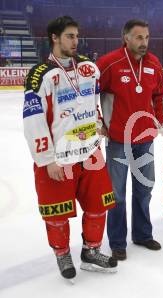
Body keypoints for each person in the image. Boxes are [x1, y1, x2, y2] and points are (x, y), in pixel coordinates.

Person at [23, 16, 117, 280]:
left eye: (77, 36)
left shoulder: (89, 67)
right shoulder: (40, 75)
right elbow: (33, 120)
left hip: (89, 152)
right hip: (58, 158)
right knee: (57, 212)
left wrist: (99, 123)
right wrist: (46, 160)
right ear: (54, 38)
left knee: (99, 204)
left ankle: (91, 251)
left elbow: (92, 101)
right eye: (69, 36)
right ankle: (62, 253)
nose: (76, 41)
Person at [96, 19, 163, 261]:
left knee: (144, 190)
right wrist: (98, 121)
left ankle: (143, 234)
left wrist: (158, 119)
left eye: (146, 37)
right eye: (138, 37)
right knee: (116, 194)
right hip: (118, 140)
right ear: (126, 38)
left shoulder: (154, 63)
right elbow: (88, 93)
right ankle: (117, 242)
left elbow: (158, 95)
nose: (143, 42)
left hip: (145, 138)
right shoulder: (109, 63)